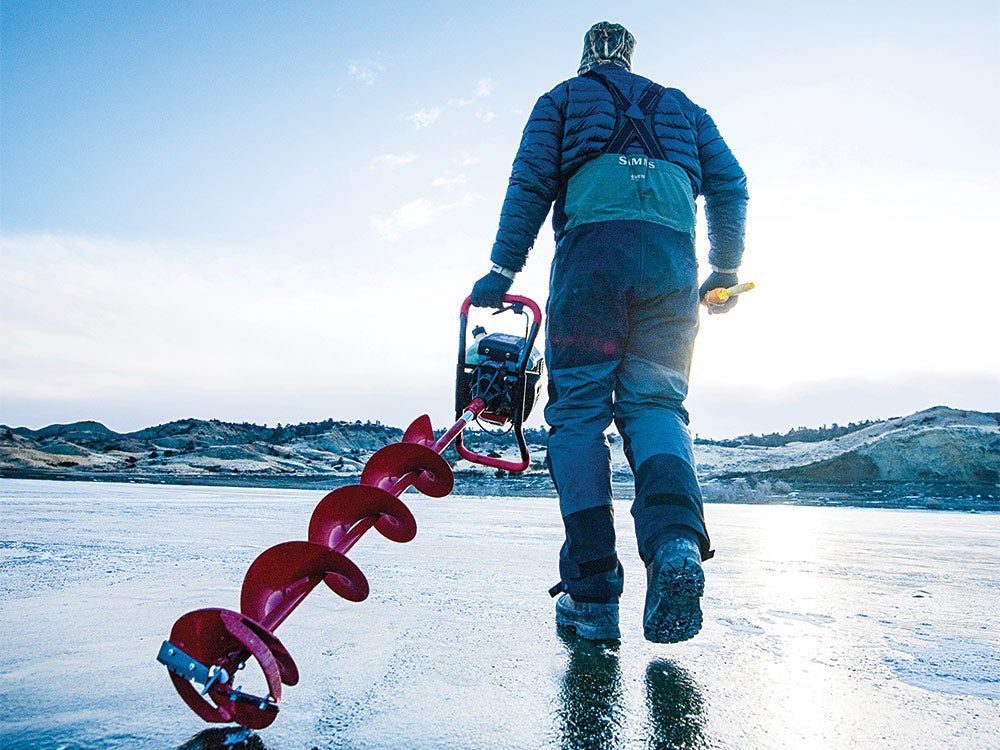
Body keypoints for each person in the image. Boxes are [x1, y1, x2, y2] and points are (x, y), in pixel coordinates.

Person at [470, 21, 748, 643]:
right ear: (630, 57)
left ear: (586, 57)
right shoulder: (684, 107)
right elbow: (730, 182)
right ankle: (675, 542)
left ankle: (593, 596)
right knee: (656, 407)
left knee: (578, 419)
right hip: (672, 266)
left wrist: (501, 268)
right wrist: (725, 266)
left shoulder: (562, 101)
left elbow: (531, 183)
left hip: (592, 263)